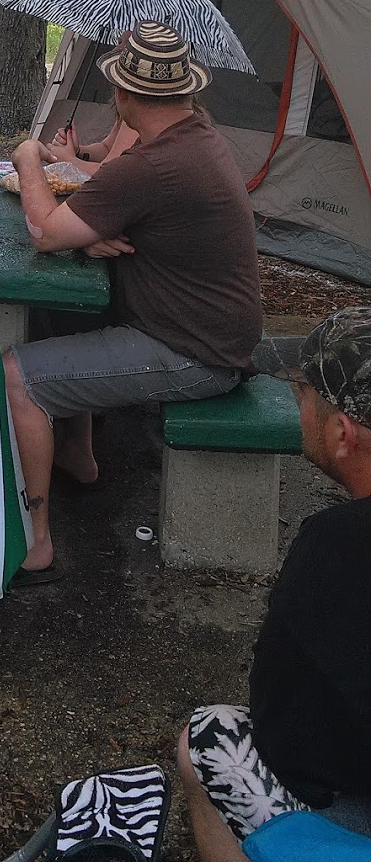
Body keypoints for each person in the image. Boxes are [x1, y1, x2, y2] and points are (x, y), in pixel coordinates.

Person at [2, 21, 262, 581]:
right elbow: (126, 215)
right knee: (61, 314)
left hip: (197, 354)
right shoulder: (193, 138)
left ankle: (35, 541)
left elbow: (44, 231)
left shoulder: (154, 165)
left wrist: (27, 157)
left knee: (17, 377)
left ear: (122, 93)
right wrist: (91, 236)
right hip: (211, 332)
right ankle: (77, 455)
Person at [178, 308, 371, 860]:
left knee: (208, 737)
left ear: (342, 433)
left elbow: (285, 736)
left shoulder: (337, 546)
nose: (297, 405)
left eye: (302, 392)